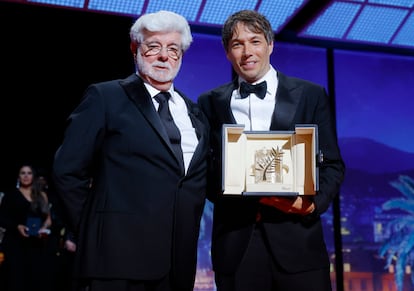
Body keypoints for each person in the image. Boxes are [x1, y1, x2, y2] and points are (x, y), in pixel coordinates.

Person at [52, 10, 209, 291]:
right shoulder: (106, 96)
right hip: (116, 262)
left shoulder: (194, 112)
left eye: (173, 49)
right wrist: (95, 231)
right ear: (135, 49)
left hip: (178, 264)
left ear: (181, 55)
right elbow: (67, 170)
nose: (164, 56)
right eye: (154, 47)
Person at [198, 10, 345, 291]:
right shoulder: (210, 102)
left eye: (255, 41)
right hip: (236, 246)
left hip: (299, 244)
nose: (247, 52)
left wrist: (312, 205)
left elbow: (334, 165)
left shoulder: (310, 95)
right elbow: (204, 172)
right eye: (237, 44)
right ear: (227, 52)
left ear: (270, 44)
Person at [0, 163, 53, 291]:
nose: (26, 176)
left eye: (29, 173)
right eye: (22, 173)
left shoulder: (41, 195)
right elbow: (2, 218)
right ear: (18, 177)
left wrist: (43, 228)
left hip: (36, 243)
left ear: (33, 176)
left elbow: (48, 220)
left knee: (35, 280)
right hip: (15, 244)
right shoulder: (10, 195)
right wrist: (17, 226)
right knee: (16, 280)